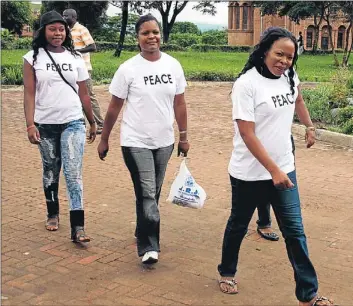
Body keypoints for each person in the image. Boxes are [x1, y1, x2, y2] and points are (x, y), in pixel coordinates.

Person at [217, 27, 335, 306]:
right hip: (249, 173)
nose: (284, 61)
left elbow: (298, 99)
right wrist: (273, 171)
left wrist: (308, 125)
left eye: (290, 57)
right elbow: (247, 134)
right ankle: (227, 271)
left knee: (295, 231)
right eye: (279, 54)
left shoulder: (289, 77)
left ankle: (308, 295)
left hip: (284, 166)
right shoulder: (247, 84)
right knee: (238, 224)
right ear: (265, 51)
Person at [97, 14, 190, 265]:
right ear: (137, 38)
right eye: (145, 33)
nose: (152, 37)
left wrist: (183, 136)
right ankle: (149, 246)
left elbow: (179, 103)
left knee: (152, 192)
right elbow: (114, 108)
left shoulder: (173, 66)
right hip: (135, 140)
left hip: (164, 141)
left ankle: (142, 228)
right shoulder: (128, 69)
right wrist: (104, 139)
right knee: (147, 192)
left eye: (155, 32)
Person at [23, 11, 96, 243]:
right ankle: (52, 213)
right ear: (43, 31)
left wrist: (92, 121)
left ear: (66, 32)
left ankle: (78, 227)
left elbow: (84, 92)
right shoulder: (32, 58)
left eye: (61, 29)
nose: (58, 33)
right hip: (45, 124)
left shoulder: (75, 57)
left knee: (73, 174)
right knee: (51, 170)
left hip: (73, 121)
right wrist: (30, 124)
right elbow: (29, 93)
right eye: (52, 29)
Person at [63, 8, 104, 134]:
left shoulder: (81, 29)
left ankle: (100, 124)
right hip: (71, 69)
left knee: (89, 96)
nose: (64, 17)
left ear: (74, 17)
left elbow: (92, 46)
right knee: (75, 96)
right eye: (63, 15)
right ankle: (80, 123)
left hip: (84, 69)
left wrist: (76, 52)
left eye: (66, 16)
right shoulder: (65, 31)